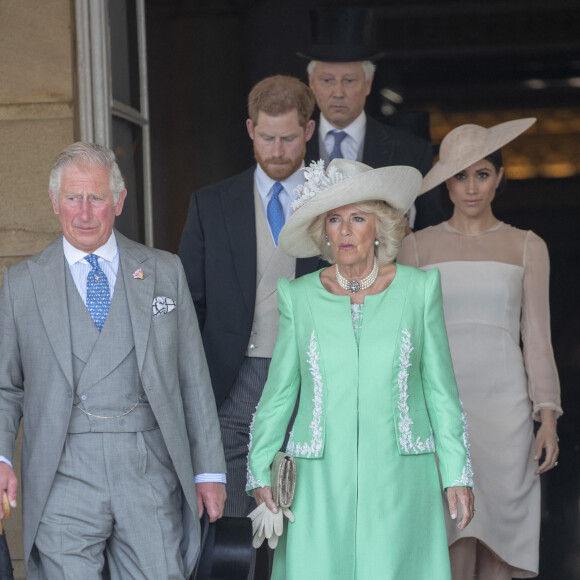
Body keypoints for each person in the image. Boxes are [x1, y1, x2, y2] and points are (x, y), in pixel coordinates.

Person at [0, 142, 226, 579]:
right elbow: (5, 386)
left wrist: (209, 471)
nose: (84, 213)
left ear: (119, 202)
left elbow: (193, 380)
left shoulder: (164, 270)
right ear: (54, 202)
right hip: (61, 469)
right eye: (72, 198)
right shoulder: (22, 283)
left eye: (96, 198)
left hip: (149, 467)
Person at [246, 158, 474, 579]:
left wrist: (457, 473)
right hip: (318, 476)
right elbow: (279, 393)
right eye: (334, 220)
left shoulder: (419, 289)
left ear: (380, 227)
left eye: (357, 218)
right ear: (323, 232)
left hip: (400, 474)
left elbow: (440, 390)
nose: (345, 231)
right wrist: (260, 467)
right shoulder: (299, 296)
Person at [398, 119, 562, 579]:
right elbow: (406, 346)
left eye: (483, 174)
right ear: (445, 182)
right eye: (460, 175)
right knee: (445, 537)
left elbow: (538, 340)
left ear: (500, 178)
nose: (471, 187)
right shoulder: (415, 249)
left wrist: (546, 419)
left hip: (506, 415)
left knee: (501, 542)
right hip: (439, 412)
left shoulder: (528, 247)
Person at [178, 75, 324, 526]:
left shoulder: (336, 203)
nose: (277, 150)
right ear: (249, 130)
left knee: (311, 527)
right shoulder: (211, 204)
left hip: (314, 379)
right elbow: (189, 307)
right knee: (231, 532)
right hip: (230, 384)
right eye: (266, 138)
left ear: (309, 131)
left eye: (288, 138)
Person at [299, 6, 448, 230]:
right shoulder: (291, 148)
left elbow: (430, 234)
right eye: (327, 80)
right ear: (311, 82)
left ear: (368, 83)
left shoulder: (411, 152)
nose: (338, 92)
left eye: (349, 81)